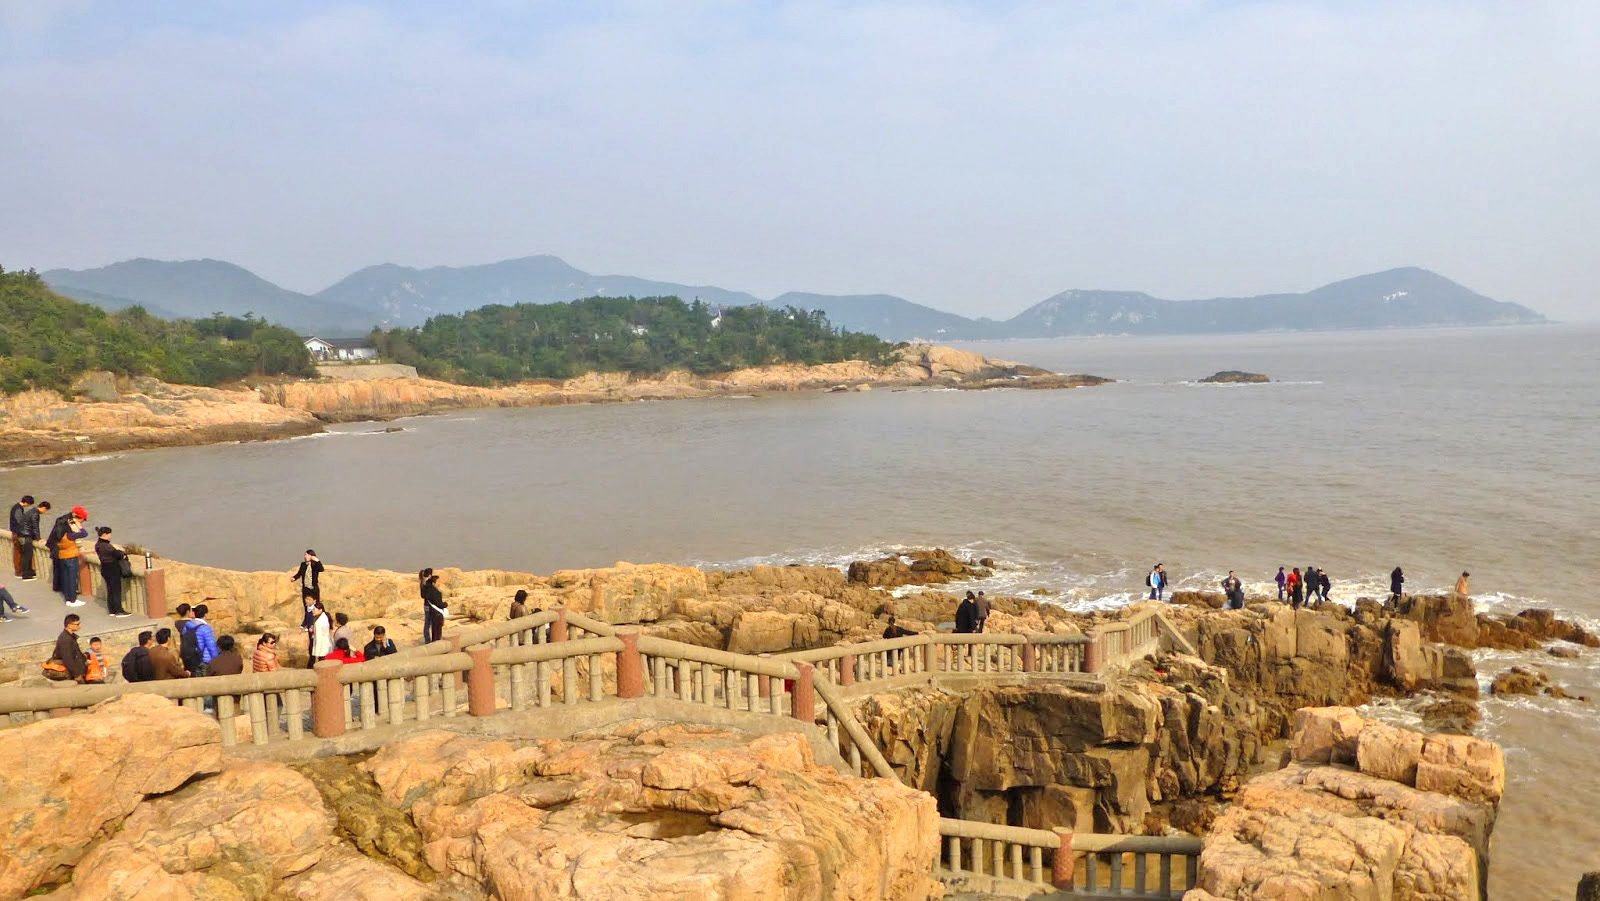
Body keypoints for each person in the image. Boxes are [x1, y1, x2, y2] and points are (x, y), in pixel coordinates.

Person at [47, 508, 89, 606]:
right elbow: (84, 533)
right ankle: (73, 600)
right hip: (71, 557)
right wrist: (79, 526)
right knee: (72, 578)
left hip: (62, 557)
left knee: (65, 578)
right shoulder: (69, 536)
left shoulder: (59, 536)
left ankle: (68, 600)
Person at [94, 526, 132, 617]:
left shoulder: (98, 545)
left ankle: (112, 610)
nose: (110, 536)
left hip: (105, 568)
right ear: (105, 534)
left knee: (110, 590)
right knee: (116, 590)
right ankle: (119, 610)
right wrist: (122, 554)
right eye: (109, 534)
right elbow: (118, 555)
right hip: (112, 569)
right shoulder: (106, 546)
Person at [51, 614, 88, 683]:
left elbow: (77, 652)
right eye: (77, 624)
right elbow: (68, 659)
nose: (79, 626)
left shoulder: (71, 636)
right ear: (69, 625)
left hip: (78, 670)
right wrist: (76, 674)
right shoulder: (65, 639)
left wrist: (85, 660)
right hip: (72, 674)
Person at [19, 500, 46, 581]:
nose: (44, 512)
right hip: (26, 536)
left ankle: (28, 572)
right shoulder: (35, 514)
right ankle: (26, 576)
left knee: (24, 555)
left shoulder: (30, 511)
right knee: (27, 556)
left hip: (21, 535)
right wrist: (38, 538)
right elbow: (35, 527)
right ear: (43, 508)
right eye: (45, 510)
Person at [9, 495, 34, 578]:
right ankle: (19, 572)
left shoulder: (16, 507)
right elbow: (20, 522)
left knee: (18, 553)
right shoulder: (18, 509)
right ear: (26, 502)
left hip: (15, 532)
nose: (28, 506)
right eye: (29, 504)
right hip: (17, 534)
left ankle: (18, 571)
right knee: (19, 553)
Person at [422, 573, 447, 643]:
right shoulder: (435, 592)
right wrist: (445, 604)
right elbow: (437, 603)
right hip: (437, 612)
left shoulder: (430, 589)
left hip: (433, 611)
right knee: (437, 630)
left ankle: (434, 641)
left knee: (434, 629)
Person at [299, 595, 319, 668]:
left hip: (315, 631)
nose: (307, 601)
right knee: (311, 646)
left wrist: (312, 627)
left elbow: (316, 619)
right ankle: (311, 662)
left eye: (309, 599)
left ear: (314, 601)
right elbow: (306, 619)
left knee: (314, 646)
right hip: (310, 631)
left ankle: (313, 663)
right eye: (306, 599)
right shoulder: (308, 608)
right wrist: (302, 626)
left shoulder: (316, 609)